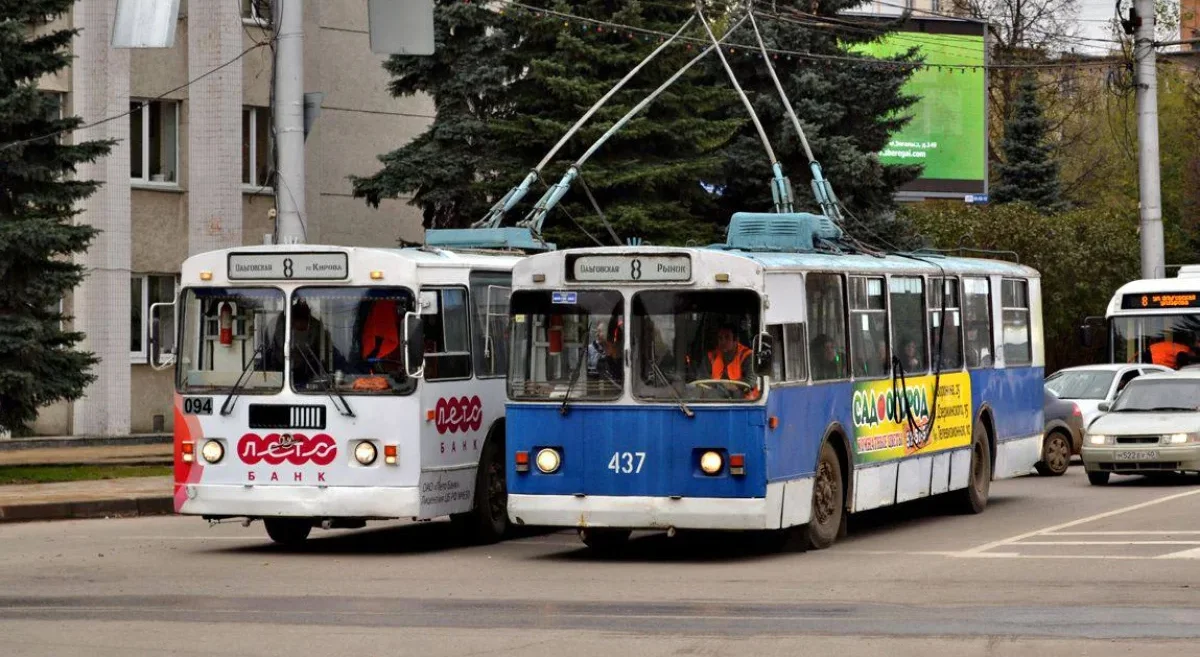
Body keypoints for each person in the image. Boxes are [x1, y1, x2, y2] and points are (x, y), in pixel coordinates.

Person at [704, 324, 756, 396]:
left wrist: (733, 385)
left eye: (727, 337)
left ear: (736, 340)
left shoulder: (747, 355)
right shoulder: (712, 355)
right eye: (720, 338)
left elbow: (751, 381)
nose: (723, 341)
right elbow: (702, 379)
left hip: (744, 400)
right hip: (715, 398)